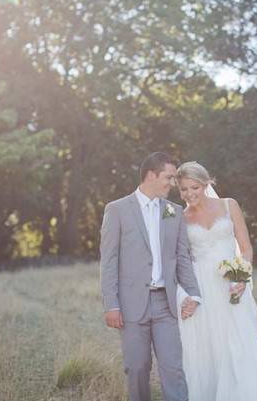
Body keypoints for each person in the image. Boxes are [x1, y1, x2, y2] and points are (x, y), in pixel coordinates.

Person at [100, 152, 202, 401]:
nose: (173, 183)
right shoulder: (117, 210)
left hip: (166, 304)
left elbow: (182, 257)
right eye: (168, 177)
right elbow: (109, 261)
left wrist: (194, 293)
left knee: (173, 368)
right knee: (136, 369)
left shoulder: (173, 211)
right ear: (150, 175)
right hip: (131, 303)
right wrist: (111, 304)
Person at [175, 161, 257, 401]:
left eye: (194, 187)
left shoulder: (229, 206)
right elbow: (180, 258)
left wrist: (242, 276)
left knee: (241, 343)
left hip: (230, 284)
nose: (189, 194)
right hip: (200, 286)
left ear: (206, 183)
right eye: (183, 189)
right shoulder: (180, 216)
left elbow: (246, 247)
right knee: (205, 347)